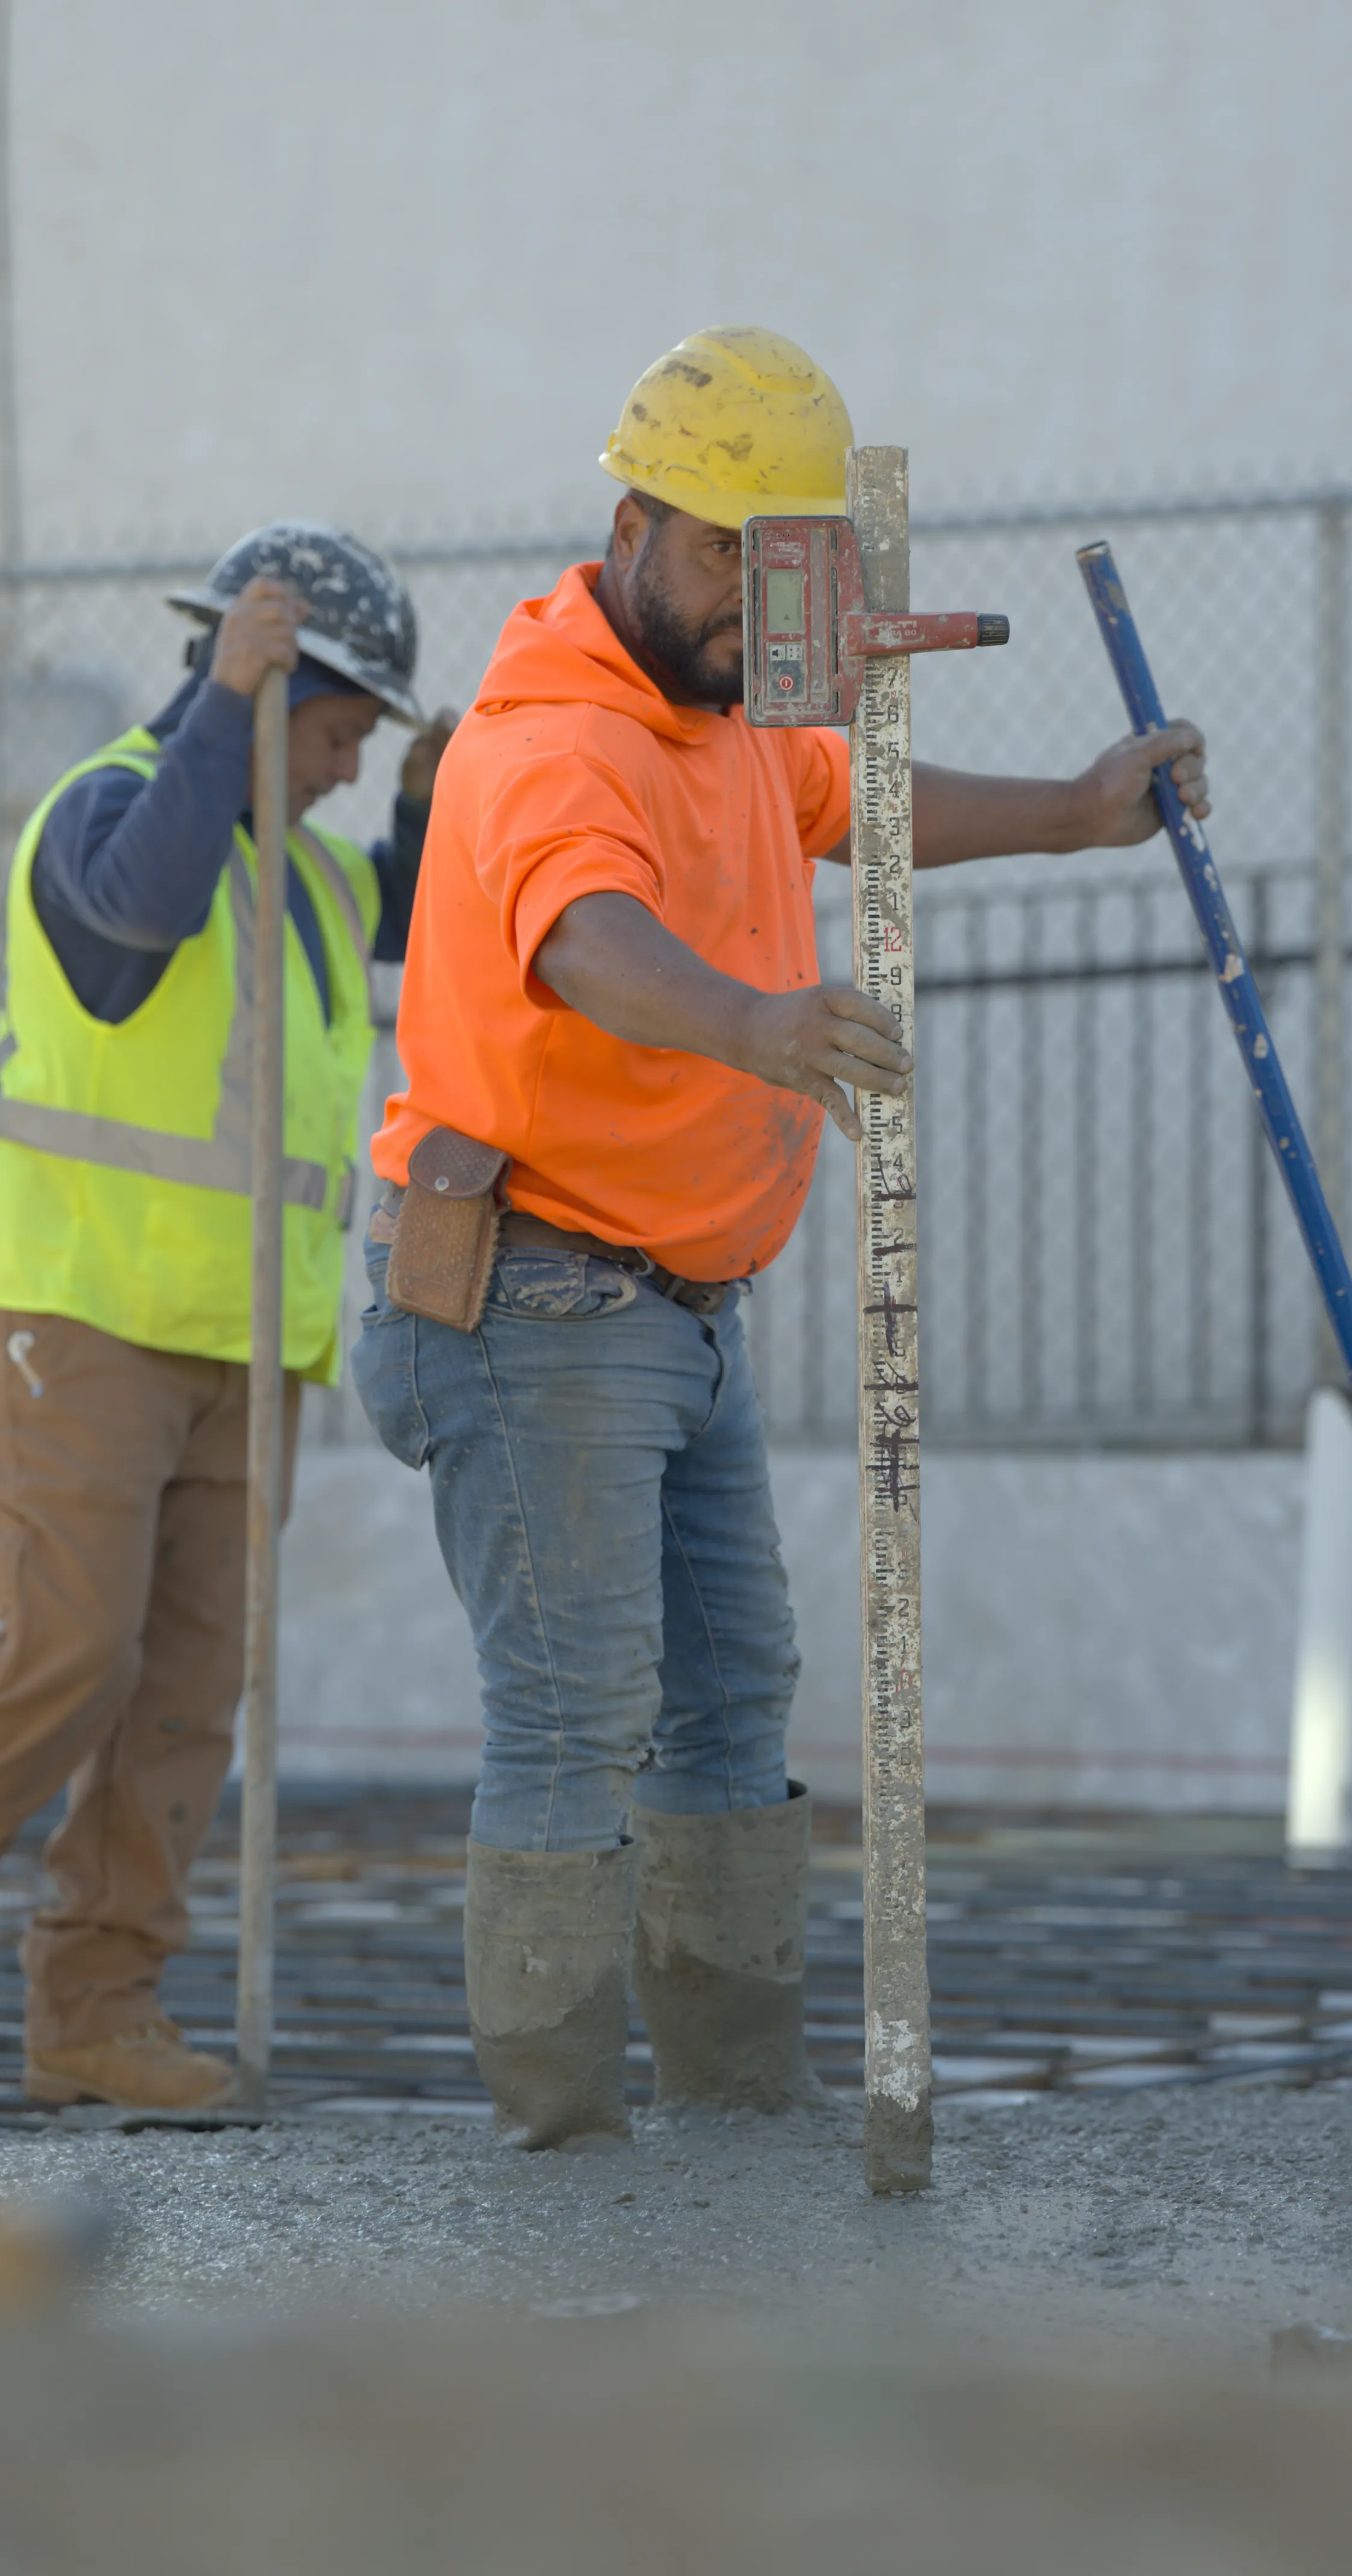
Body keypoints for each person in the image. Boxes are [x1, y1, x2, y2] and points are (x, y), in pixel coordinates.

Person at [355, 328, 1210, 2150]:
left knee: (733, 1694)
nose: (757, 594)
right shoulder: (552, 738)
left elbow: (865, 800)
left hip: (676, 1300)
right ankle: (563, 2142)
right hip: (531, 1293)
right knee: (579, 1719)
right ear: (634, 523)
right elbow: (587, 939)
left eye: (786, 557)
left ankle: (742, 2108)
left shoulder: (732, 722)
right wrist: (754, 1025)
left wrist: (1073, 814)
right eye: (726, 551)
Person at [0, 522, 453, 2112]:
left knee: (186, 1692)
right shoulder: (108, 805)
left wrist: (432, 797)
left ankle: (95, 2014)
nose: (339, 766)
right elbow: (125, 937)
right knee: (69, 1658)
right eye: (334, 730)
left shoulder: (305, 869)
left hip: (248, 1345)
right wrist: (219, 714)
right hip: (82, 1311)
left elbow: (412, 920)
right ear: (259, 685)